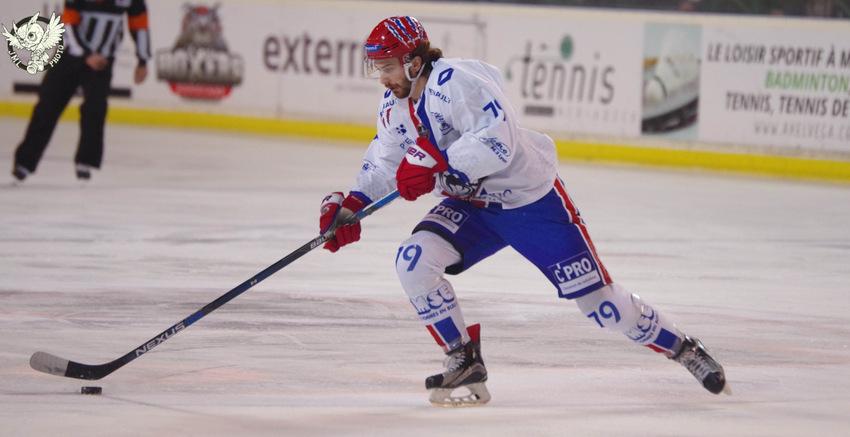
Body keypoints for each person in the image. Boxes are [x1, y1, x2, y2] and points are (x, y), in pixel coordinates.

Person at [319, 16, 728, 407]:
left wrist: (439, 161)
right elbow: (386, 162)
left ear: (413, 62)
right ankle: (463, 359)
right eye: (378, 68)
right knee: (413, 260)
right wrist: (355, 203)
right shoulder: (393, 107)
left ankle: (683, 348)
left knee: (601, 306)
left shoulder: (456, 83)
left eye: (387, 67)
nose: (383, 78)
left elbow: (500, 141)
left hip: (529, 202)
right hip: (473, 207)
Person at [12, 0, 151, 182]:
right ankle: (24, 162)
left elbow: (139, 24)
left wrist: (143, 60)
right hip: (71, 57)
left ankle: (86, 161)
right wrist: (86, 55)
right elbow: (69, 22)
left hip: (102, 61)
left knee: (95, 109)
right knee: (47, 106)